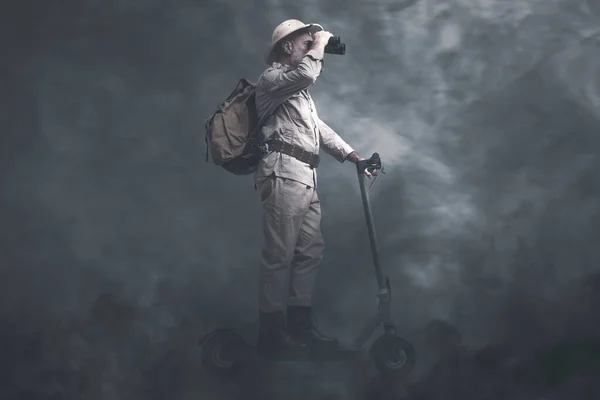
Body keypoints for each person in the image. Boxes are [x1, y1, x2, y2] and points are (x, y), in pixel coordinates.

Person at [253, 19, 376, 359]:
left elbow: (319, 130)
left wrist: (355, 157)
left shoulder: (299, 93)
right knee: (280, 253)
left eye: (313, 43)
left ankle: (299, 327)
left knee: (309, 251)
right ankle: (271, 335)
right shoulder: (272, 80)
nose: (313, 47)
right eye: (305, 42)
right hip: (283, 172)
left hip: (306, 174)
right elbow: (307, 73)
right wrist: (321, 43)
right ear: (286, 47)